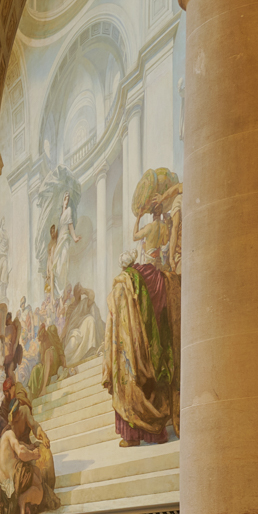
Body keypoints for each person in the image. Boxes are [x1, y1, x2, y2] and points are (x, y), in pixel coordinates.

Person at [103, 167, 184, 445]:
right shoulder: (166, 228)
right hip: (161, 274)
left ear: (151, 212)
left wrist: (138, 217)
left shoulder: (149, 227)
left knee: (126, 279)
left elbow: (135, 235)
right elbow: (168, 250)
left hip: (148, 273)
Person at [0, 400, 58, 514]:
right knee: (39, 488)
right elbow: (20, 451)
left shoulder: (5, 436)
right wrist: (33, 455)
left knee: (37, 472)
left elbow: (33, 428)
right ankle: (23, 500)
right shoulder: (9, 433)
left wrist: (42, 436)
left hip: (6, 484)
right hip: (15, 476)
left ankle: (26, 504)